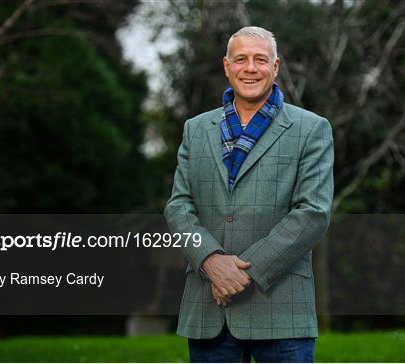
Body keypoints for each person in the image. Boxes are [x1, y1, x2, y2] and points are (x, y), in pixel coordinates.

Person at [164, 26, 334, 363]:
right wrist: (211, 261)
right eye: (241, 59)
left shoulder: (311, 129)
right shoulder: (195, 129)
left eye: (260, 59)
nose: (250, 68)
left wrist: (240, 272)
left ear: (275, 67)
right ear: (227, 66)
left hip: (282, 308)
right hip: (208, 310)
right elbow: (179, 206)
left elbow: (313, 212)